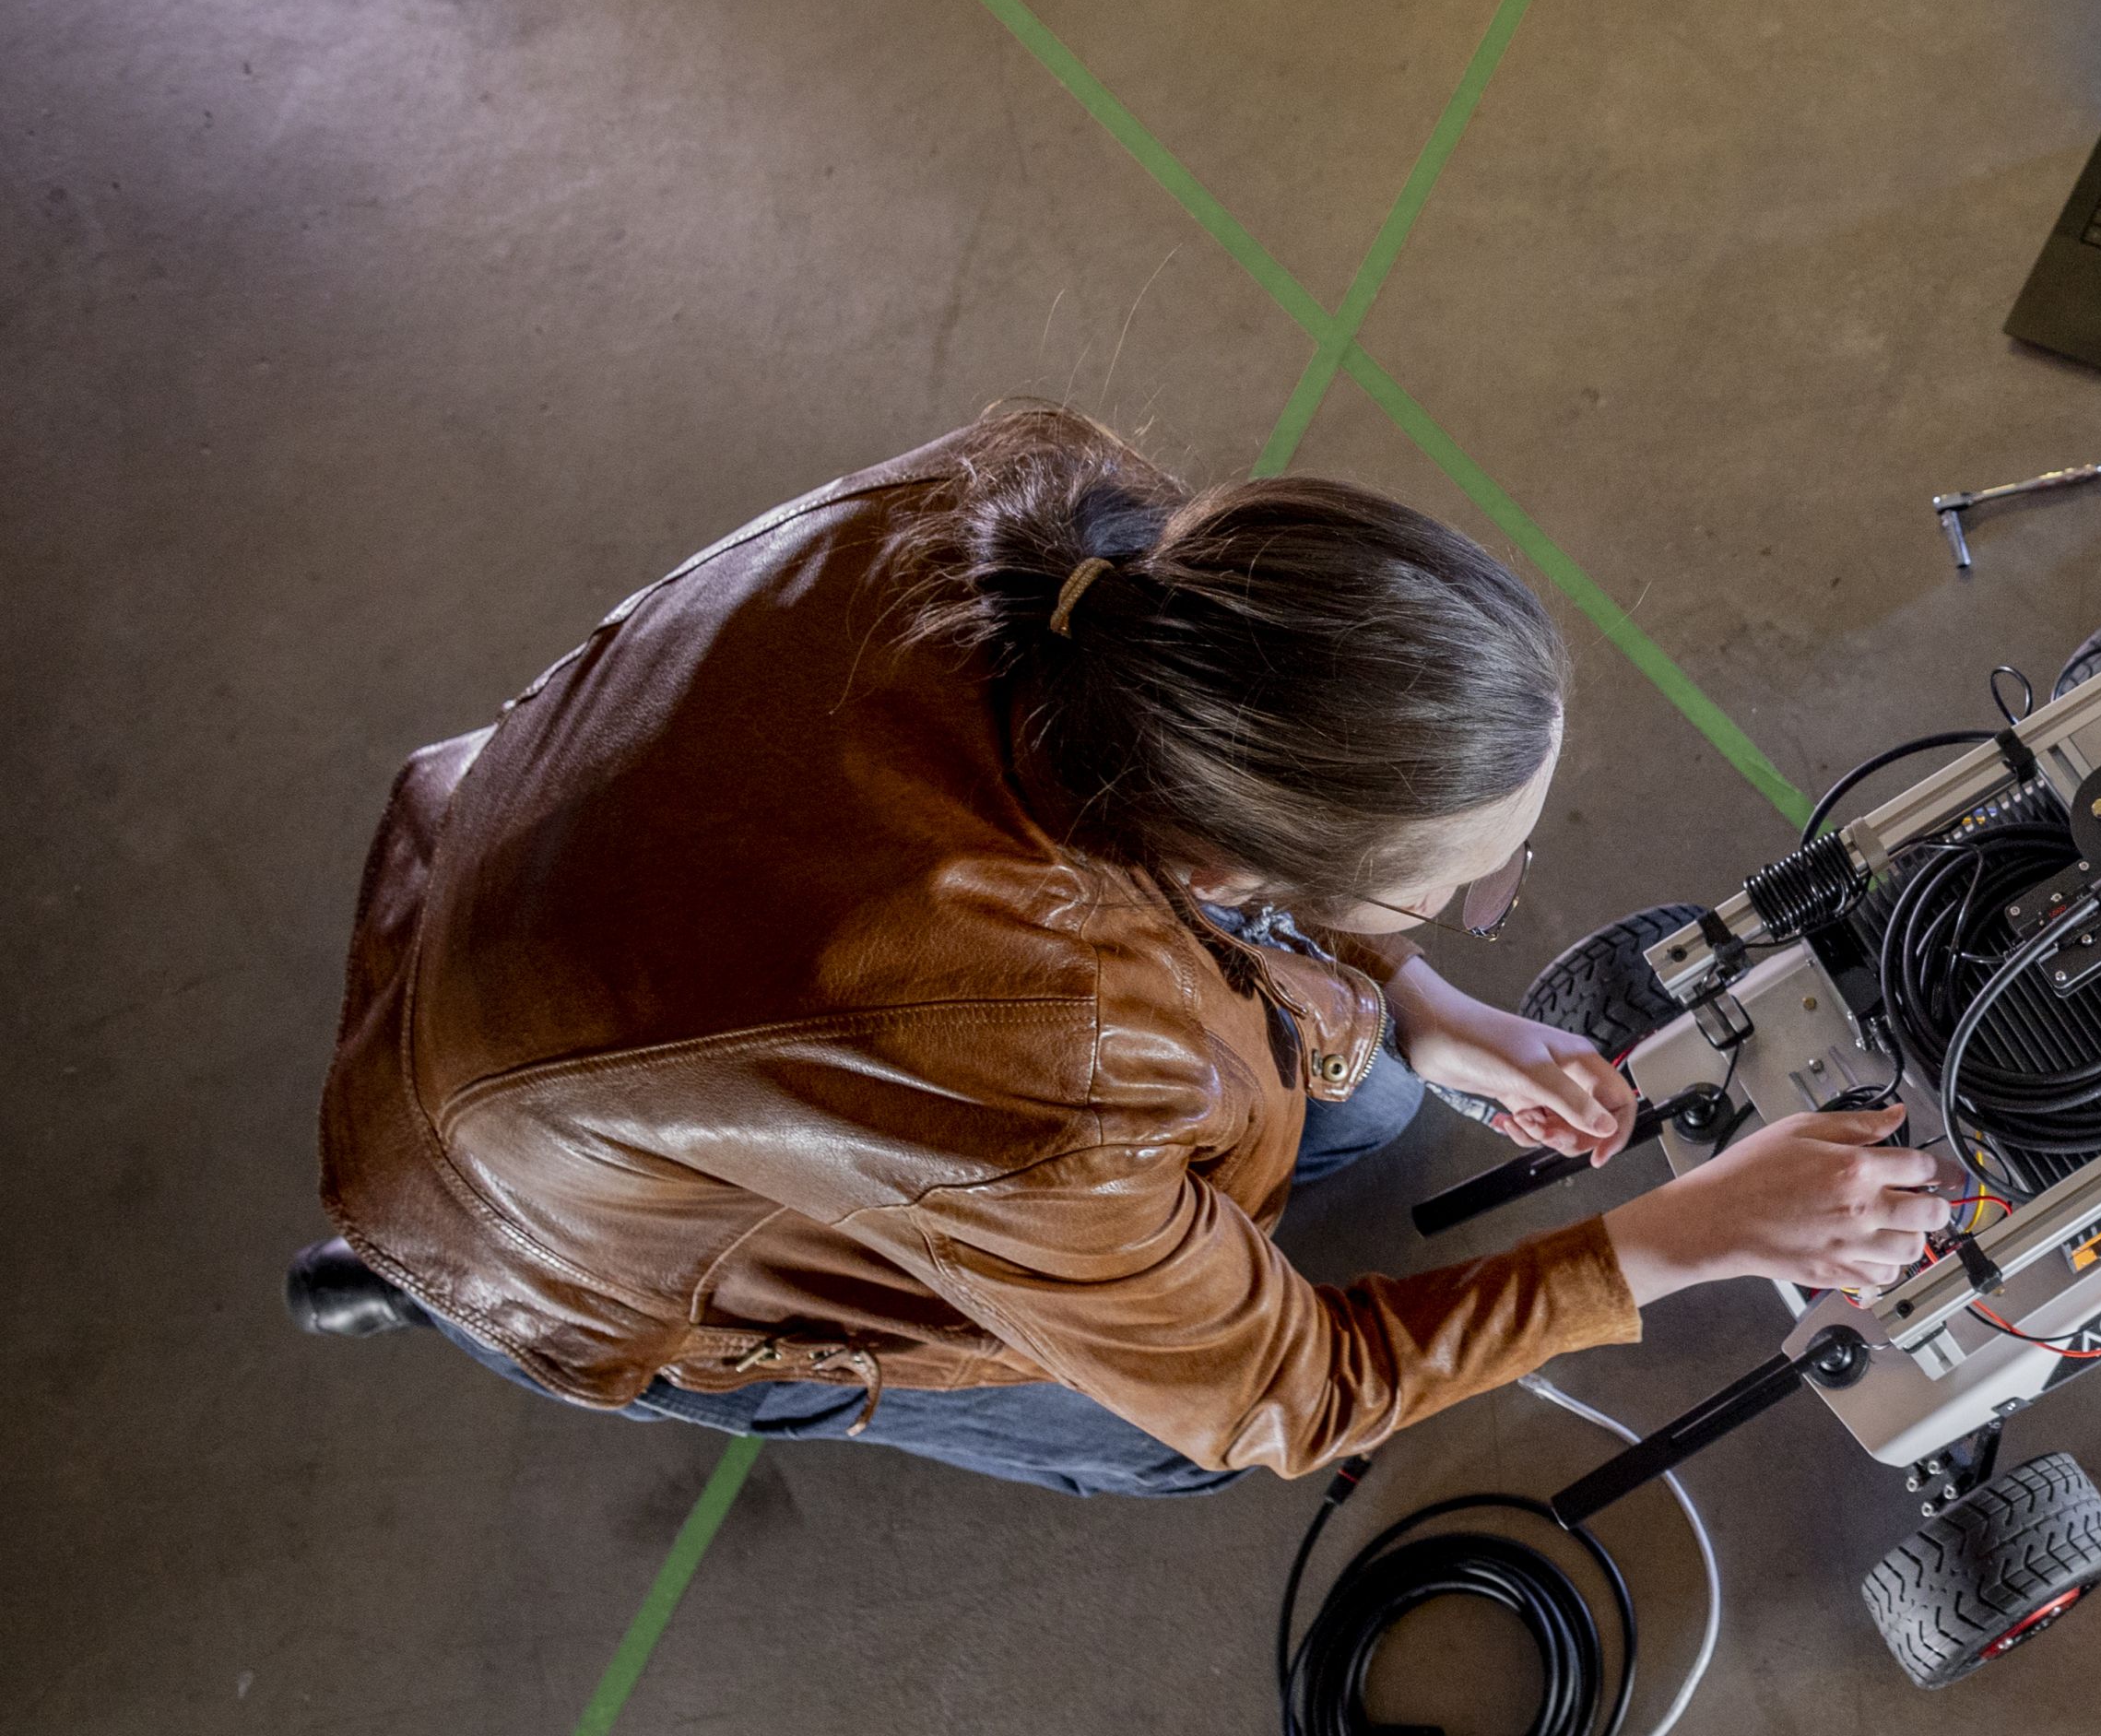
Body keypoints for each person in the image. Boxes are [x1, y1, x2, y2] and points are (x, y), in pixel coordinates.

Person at [294, 406, 1944, 1495]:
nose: (1482, 900)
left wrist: (1422, 1003)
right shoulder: (1039, 1063)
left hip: (568, 885)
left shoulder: (1076, 543)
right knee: (1172, 1447)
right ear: (1258, 853)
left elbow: (1227, 883)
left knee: (1355, 1112)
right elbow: (1288, 1393)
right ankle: (423, 1296)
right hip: (558, 1214)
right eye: (1458, 890)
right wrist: (1680, 1236)